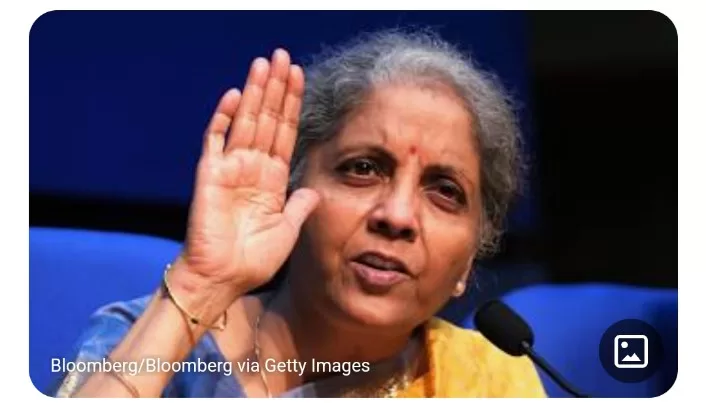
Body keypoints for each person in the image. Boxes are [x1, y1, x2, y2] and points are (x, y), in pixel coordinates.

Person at [53, 29, 546, 398]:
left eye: (445, 192)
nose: (396, 215)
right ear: (291, 189)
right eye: (363, 169)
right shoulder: (153, 339)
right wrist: (199, 287)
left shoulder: (489, 380)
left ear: (468, 261)